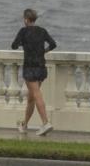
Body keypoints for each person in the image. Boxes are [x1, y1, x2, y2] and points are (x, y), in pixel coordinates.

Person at [11, 8, 57, 136]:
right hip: (41, 68)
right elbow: (53, 44)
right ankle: (24, 125)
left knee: (36, 95)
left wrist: (23, 44)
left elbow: (14, 46)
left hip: (30, 68)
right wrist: (43, 51)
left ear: (26, 19)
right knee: (31, 99)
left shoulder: (23, 31)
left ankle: (45, 122)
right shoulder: (42, 31)